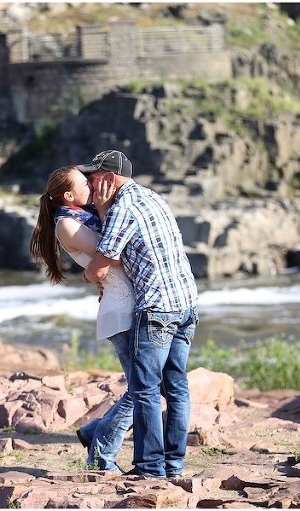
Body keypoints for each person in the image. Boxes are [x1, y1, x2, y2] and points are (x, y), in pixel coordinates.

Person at [79, 149, 199, 478]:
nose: (88, 183)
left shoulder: (121, 206)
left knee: (144, 389)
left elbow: (101, 266)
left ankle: (149, 469)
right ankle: (173, 467)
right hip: (187, 302)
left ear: (107, 179)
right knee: (176, 387)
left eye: (92, 177)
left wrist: (87, 274)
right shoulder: (151, 196)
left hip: (157, 307)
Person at [28, 165, 135, 472]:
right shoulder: (67, 224)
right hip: (119, 308)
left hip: (125, 303)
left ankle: (94, 432)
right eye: (84, 183)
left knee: (147, 386)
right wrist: (103, 208)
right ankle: (101, 451)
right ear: (70, 195)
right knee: (144, 389)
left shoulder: (81, 215)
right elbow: (111, 251)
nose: (92, 185)